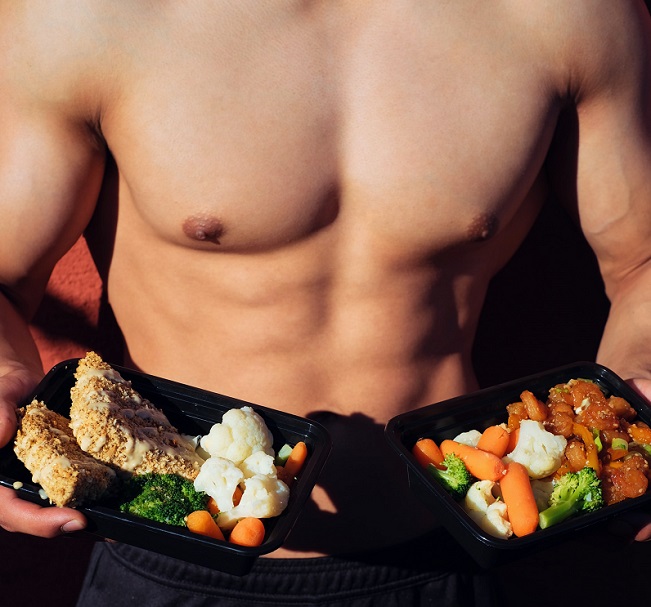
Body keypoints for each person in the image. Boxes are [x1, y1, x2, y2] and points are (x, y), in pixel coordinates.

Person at [2, 1, 651, 605]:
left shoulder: (564, 15)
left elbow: (639, 262)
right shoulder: (82, 17)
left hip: (454, 542)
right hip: (169, 551)